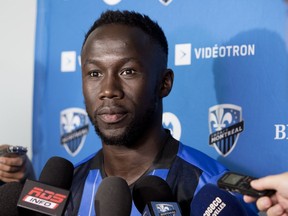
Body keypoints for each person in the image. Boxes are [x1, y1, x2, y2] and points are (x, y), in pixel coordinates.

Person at [65, 10, 258, 215]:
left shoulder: (211, 191)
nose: (108, 90)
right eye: (95, 73)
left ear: (164, 83)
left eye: (127, 71)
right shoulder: (66, 187)